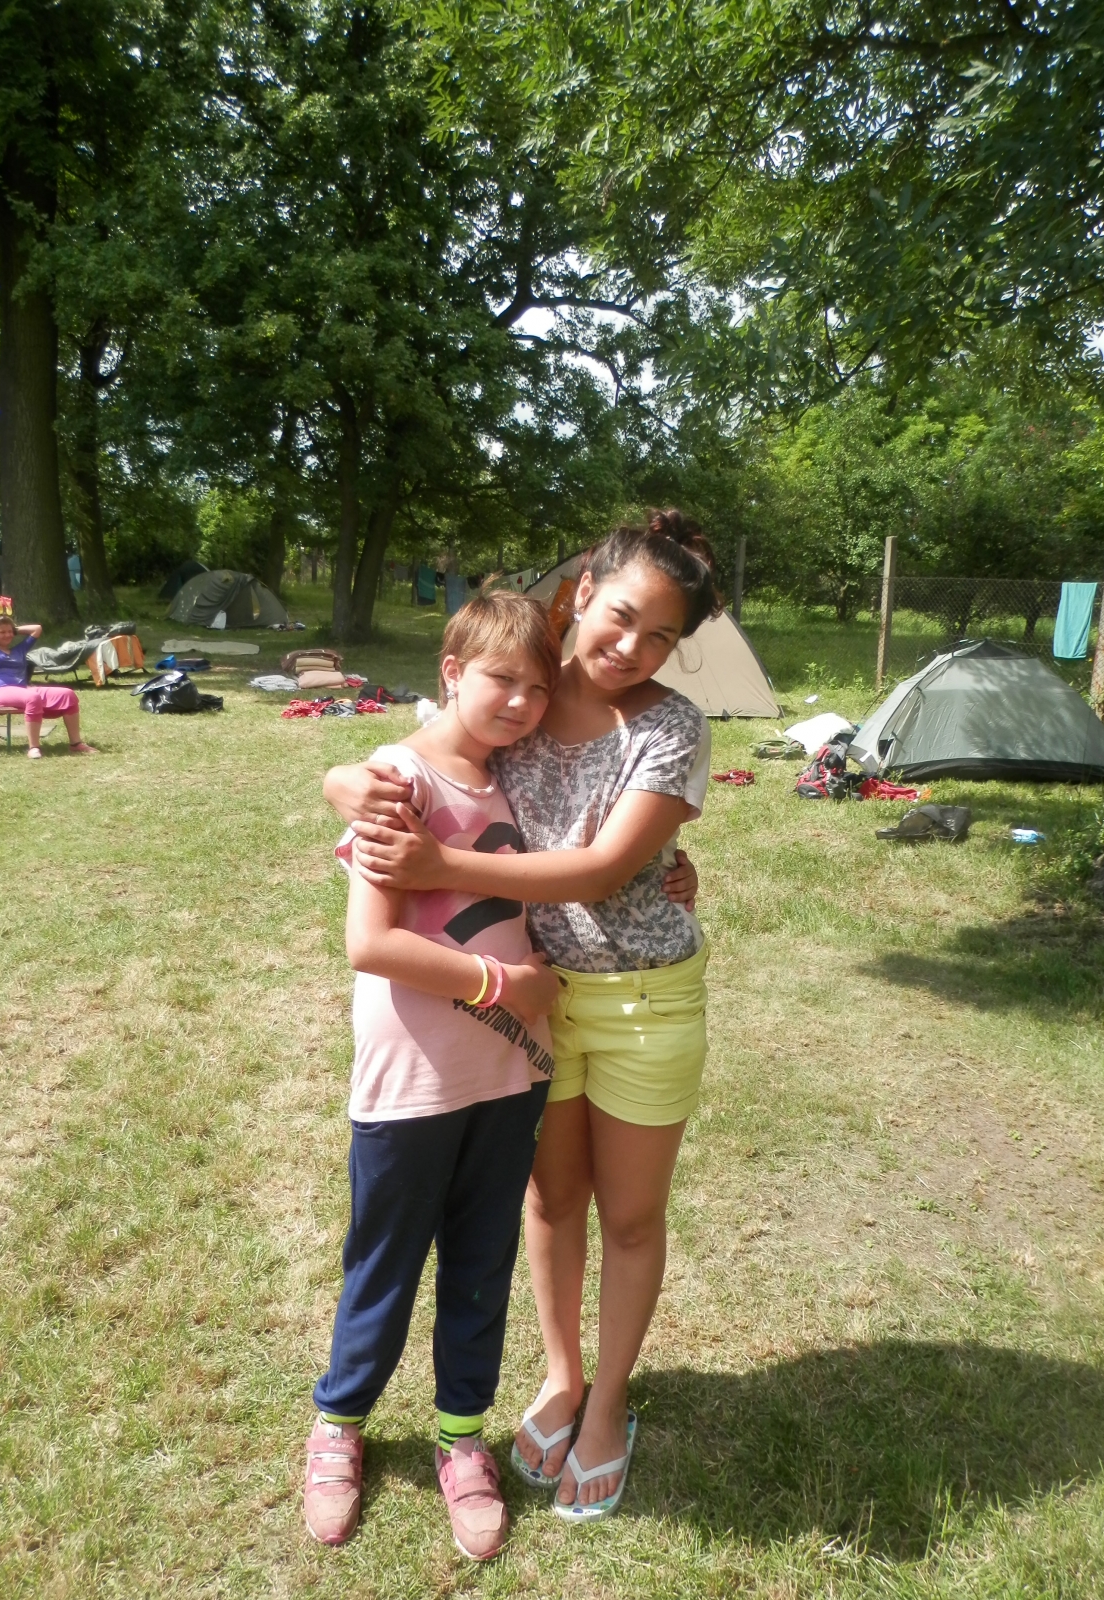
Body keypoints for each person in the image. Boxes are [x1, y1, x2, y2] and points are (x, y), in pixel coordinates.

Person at [325, 510, 718, 1524]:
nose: (630, 647)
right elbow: (419, 753)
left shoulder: (671, 727)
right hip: (531, 1009)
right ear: (582, 593)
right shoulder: (528, 695)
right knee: (548, 1204)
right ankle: (560, 1375)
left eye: (661, 636)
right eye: (620, 616)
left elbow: (600, 867)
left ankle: (608, 1406)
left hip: (638, 1000)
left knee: (629, 1216)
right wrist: (345, 782)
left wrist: (439, 865)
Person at [305, 591, 564, 1560]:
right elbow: (370, 944)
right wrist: (505, 982)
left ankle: (463, 1438)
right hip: (412, 1080)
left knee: (482, 1264)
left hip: (512, 1073)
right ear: (451, 671)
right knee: (384, 1262)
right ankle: (340, 1425)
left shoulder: (526, 780)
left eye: (539, 689)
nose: (522, 703)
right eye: (503, 679)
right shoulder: (396, 780)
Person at [0, 601, 97, 758]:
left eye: (10, 632)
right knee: (32, 697)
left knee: (67, 694)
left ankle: (76, 744)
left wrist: (12, 629)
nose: (8, 635)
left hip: (21, 690)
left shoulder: (19, 650)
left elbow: (37, 629)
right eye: (2, 632)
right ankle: (33, 747)